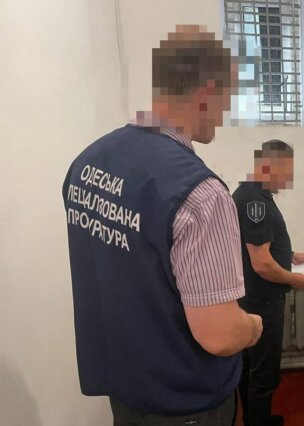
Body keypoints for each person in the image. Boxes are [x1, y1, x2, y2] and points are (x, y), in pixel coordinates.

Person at [62, 25, 262, 425]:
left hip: (126, 391)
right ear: (207, 94)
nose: (224, 116)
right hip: (185, 403)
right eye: (226, 102)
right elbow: (220, 335)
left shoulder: (86, 164)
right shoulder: (200, 193)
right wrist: (254, 326)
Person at [232, 140, 304, 426]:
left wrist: (290, 255)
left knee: (249, 367)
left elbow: (256, 247)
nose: (287, 179)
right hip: (262, 303)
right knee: (263, 373)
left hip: (250, 299)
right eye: (286, 172)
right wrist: (295, 279)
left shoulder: (251, 194)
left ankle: (257, 418)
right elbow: (262, 263)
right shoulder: (256, 202)